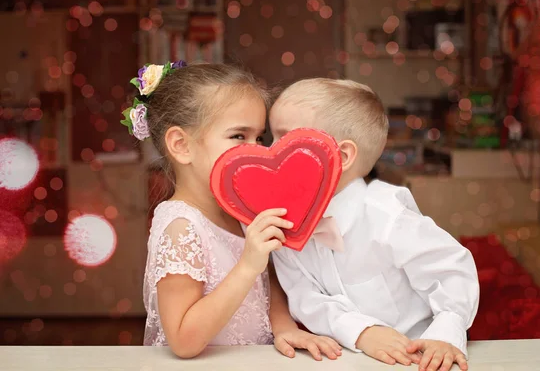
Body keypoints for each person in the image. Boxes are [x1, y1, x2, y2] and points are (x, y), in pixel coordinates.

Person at [124, 62, 342, 359]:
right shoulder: (181, 227)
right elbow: (183, 341)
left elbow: (267, 280)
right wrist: (247, 265)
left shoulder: (242, 211)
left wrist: (284, 326)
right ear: (181, 145)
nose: (256, 150)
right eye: (239, 136)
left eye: (259, 138)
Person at [269, 78, 480, 371]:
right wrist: (362, 331)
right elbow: (305, 297)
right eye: (271, 139)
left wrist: (445, 334)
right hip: (345, 356)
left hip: (418, 357)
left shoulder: (388, 215)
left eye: (286, 140)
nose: (270, 153)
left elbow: (452, 271)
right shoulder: (281, 222)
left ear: (340, 157)